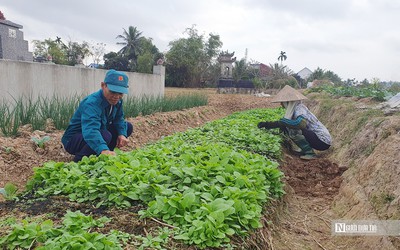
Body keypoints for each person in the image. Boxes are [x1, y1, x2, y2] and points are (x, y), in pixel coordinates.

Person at [62, 69, 133, 162]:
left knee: (127, 127)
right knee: (105, 135)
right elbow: (91, 129)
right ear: (103, 86)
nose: (116, 96)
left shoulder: (117, 101)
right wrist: (103, 149)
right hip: (74, 140)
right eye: (113, 91)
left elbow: (119, 119)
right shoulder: (92, 103)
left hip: (97, 132)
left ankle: (104, 154)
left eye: (120, 93)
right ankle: (79, 161)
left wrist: (122, 134)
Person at [257, 85, 331, 160]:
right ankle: (305, 149)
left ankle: (310, 153)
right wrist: (267, 124)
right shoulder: (295, 109)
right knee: (289, 126)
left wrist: (284, 122)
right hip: (317, 139)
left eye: (282, 102)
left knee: (293, 130)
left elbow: (301, 124)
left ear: (288, 102)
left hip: (322, 141)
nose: (281, 104)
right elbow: (284, 123)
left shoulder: (299, 108)